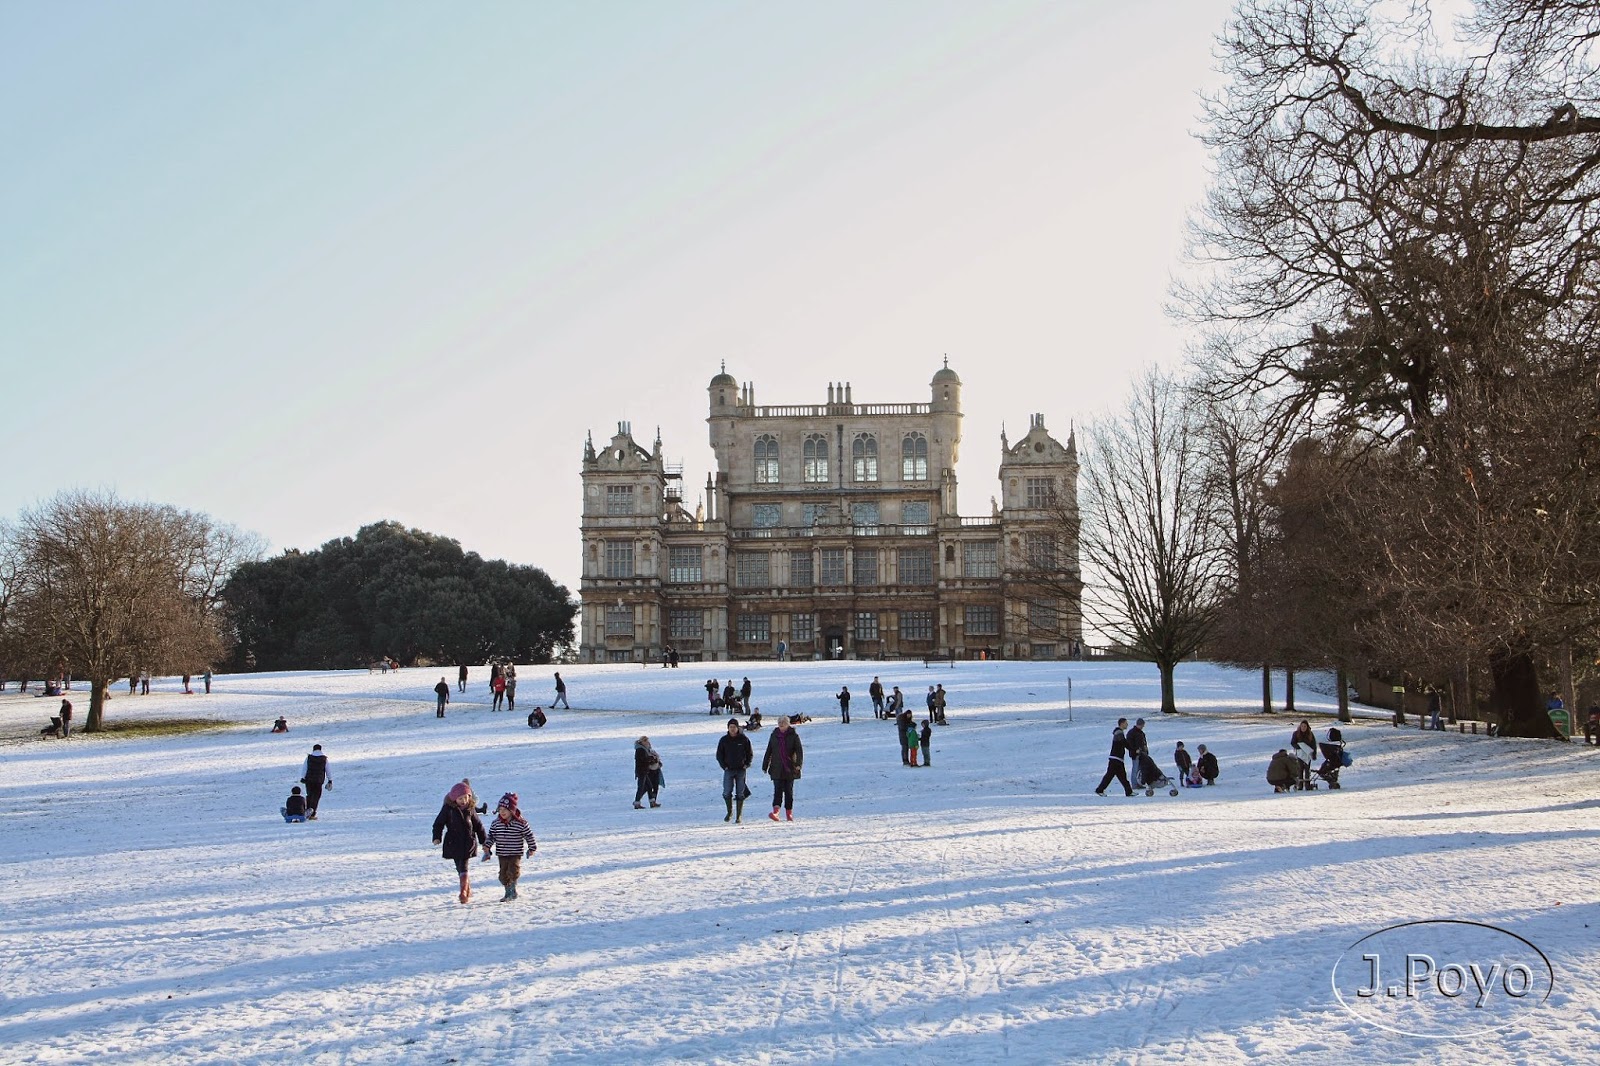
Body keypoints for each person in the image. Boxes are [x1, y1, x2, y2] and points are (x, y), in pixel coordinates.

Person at [432, 781, 488, 904]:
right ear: (454, 799)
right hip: (453, 843)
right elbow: (438, 824)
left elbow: (478, 826)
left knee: (464, 866)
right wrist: (437, 837)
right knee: (459, 867)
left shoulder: (470, 809)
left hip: (468, 842)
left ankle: (463, 892)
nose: (463, 801)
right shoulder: (448, 809)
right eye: (460, 798)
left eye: (466, 797)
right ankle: (466, 888)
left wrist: (484, 841)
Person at [484, 792, 537, 902]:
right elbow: (492, 836)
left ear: (511, 810)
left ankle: (512, 891)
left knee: (513, 871)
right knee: (503, 875)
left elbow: (528, 835)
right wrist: (487, 847)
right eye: (500, 809)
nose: (502, 812)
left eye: (505, 810)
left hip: (515, 853)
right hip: (502, 853)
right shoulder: (496, 824)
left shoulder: (520, 823)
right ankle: (508, 890)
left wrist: (532, 848)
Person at [762, 715, 804, 821]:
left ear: (788, 724)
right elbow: (769, 751)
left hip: (790, 768)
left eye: (783, 722)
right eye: (779, 722)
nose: (781, 724)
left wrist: (798, 764)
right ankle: (776, 812)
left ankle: (789, 813)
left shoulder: (793, 735)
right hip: (776, 768)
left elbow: (799, 751)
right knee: (777, 790)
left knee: (788, 791)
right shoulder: (774, 735)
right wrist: (765, 765)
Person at [716, 717, 754, 822]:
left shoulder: (744, 739)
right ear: (728, 728)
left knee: (740, 793)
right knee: (727, 792)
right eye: (730, 727)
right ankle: (729, 812)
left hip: (741, 769)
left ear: (738, 728)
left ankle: (739, 816)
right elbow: (719, 755)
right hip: (728, 770)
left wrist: (747, 764)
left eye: (734, 727)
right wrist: (724, 766)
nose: (732, 729)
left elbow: (749, 753)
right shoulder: (724, 740)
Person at [1096, 719, 1134, 797]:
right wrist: (1133, 749)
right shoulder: (1119, 733)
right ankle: (1099, 790)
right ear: (1122, 724)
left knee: (1122, 776)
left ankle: (1129, 792)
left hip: (1117, 759)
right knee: (1110, 776)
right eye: (1126, 723)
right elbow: (1124, 743)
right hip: (1115, 759)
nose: (1127, 725)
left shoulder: (1119, 732)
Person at [301, 744, 332, 819]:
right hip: (319, 780)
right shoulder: (324, 759)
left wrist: (302, 777)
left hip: (309, 780)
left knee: (309, 795)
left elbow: (305, 768)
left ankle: (307, 810)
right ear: (320, 749)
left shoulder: (309, 758)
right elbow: (328, 770)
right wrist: (330, 779)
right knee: (316, 796)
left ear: (313, 749)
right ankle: (312, 813)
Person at [633, 735, 663, 809]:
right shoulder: (640, 750)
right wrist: (653, 759)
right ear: (643, 742)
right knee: (641, 787)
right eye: (646, 741)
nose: (648, 743)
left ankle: (652, 802)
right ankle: (637, 803)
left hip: (644, 771)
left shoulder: (643, 749)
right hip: (641, 771)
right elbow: (644, 760)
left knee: (649, 787)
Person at [1290, 720, 1317, 789]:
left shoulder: (1310, 734)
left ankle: (1307, 784)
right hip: (1300, 754)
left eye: (1305, 726)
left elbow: (1314, 745)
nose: (1303, 728)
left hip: (1308, 754)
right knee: (1300, 769)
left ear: (1307, 727)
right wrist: (1299, 747)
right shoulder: (1296, 733)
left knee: (1307, 769)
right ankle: (1300, 785)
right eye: (1302, 726)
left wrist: (1314, 754)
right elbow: (1293, 743)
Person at [1126, 719, 1149, 788]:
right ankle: (1134, 784)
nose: (1143, 726)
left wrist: (1145, 751)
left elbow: (1144, 743)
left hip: (1142, 753)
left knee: (1139, 769)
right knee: (1135, 769)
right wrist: (1135, 750)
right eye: (1142, 725)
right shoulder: (1133, 733)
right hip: (1135, 754)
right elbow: (1129, 744)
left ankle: (1138, 783)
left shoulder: (1140, 733)